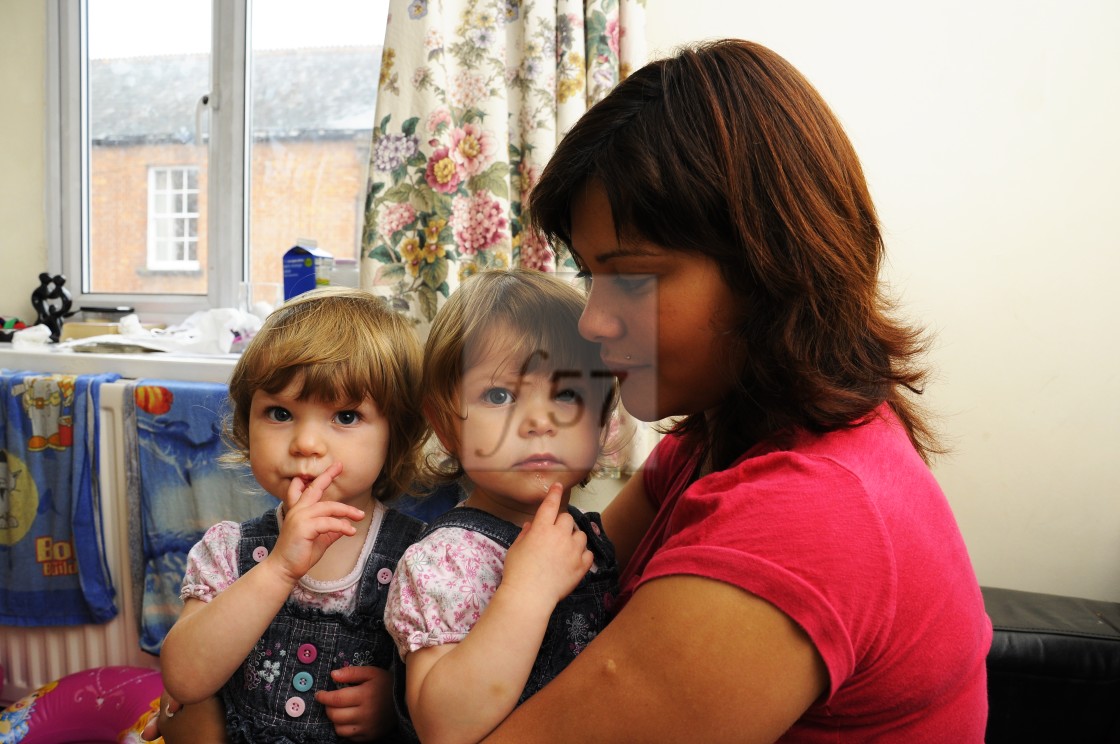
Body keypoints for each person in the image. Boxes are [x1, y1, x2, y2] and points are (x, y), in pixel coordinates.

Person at [473, 38, 993, 742]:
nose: (593, 320)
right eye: (589, 275)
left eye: (632, 278)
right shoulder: (719, 436)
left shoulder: (808, 517)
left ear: (769, 270)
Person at [156, 286, 430, 743]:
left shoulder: (422, 559)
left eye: (345, 417)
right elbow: (183, 679)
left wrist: (395, 705)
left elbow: (450, 710)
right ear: (246, 425)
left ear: (395, 436)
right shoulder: (227, 550)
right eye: (279, 412)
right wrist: (279, 568)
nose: (305, 443)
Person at [384, 268, 620, 744]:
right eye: (499, 395)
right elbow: (444, 726)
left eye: (568, 394)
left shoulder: (585, 534)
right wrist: (529, 589)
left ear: (600, 424)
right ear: (447, 427)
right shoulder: (444, 561)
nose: (537, 420)